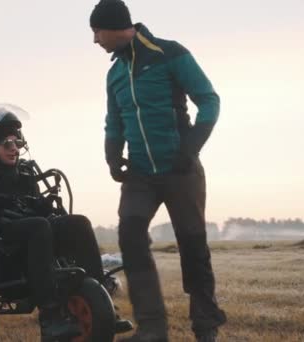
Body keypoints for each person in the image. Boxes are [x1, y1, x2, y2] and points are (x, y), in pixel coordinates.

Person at [89, 1, 227, 341]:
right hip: (140, 174)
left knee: (193, 245)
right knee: (130, 235)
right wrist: (112, 155)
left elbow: (210, 100)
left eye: (96, 31)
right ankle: (152, 328)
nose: (95, 40)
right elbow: (114, 121)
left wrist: (189, 147)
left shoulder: (169, 53)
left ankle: (205, 326)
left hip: (180, 169)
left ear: (114, 26)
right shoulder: (115, 73)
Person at [0, 104, 106, 340]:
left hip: (29, 241)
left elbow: (34, 209)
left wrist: (42, 206)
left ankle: (101, 297)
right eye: (7, 144)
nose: (15, 149)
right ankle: (50, 319)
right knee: (39, 227)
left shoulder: (23, 174)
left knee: (78, 223)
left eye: (18, 143)